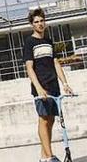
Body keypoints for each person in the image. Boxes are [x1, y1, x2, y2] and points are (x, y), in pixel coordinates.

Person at [23, 8, 73, 162]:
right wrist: (38, 88)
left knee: (50, 120)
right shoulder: (29, 42)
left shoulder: (49, 42)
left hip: (53, 86)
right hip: (41, 86)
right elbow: (29, 68)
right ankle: (49, 156)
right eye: (36, 22)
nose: (40, 24)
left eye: (41, 21)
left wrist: (65, 83)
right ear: (32, 24)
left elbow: (55, 63)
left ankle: (44, 156)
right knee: (43, 119)